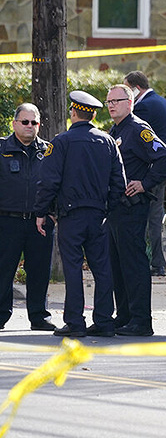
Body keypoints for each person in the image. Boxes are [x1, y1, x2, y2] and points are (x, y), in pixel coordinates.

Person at [34, 91, 127, 337]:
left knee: (73, 269)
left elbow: (48, 181)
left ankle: (75, 323)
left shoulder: (61, 142)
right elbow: (120, 182)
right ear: (93, 114)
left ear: (73, 112)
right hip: (98, 215)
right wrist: (108, 208)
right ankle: (105, 321)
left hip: (71, 216)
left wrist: (41, 211)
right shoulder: (107, 141)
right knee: (102, 269)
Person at [106, 84, 166, 336]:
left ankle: (141, 321)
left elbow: (165, 158)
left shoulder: (138, 129)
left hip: (131, 209)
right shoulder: (117, 130)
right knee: (118, 264)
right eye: (109, 101)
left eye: (117, 100)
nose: (111, 105)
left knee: (133, 264)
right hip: (115, 210)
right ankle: (124, 316)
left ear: (130, 102)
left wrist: (145, 183)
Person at [0, 104, 56, 331]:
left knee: (40, 270)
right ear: (14, 124)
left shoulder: (49, 150)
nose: (30, 127)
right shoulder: (2, 148)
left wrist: (52, 213)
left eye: (34, 123)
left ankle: (39, 316)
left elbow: (56, 184)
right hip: (7, 220)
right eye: (25, 122)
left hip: (39, 221)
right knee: (3, 270)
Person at [123, 71, 166, 277]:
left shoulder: (143, 106)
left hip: (149, 172)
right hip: (162, 168)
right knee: (156, 216)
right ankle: (159, 262)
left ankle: (156, 263)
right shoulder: (162, 102)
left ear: (135, 88)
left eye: (128, 88)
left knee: (151, 218)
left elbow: (134, 137)